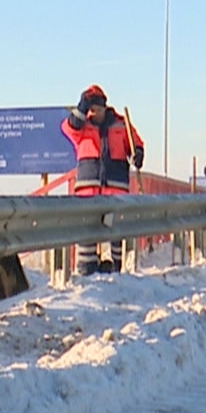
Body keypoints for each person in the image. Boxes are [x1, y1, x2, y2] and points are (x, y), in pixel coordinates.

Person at [61, 85, 145, 273]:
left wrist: (137, 154)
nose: (94, 113)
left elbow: (136, 143)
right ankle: (86, 270)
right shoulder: (81, 127)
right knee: (87, 235)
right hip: (87, 193)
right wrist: (82, 106)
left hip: (115, 192)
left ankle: (116, 270)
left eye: (97, 109)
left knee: (115, 235)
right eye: (90, 110)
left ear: (104, 107)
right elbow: (70, 126)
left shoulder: (121, 124)